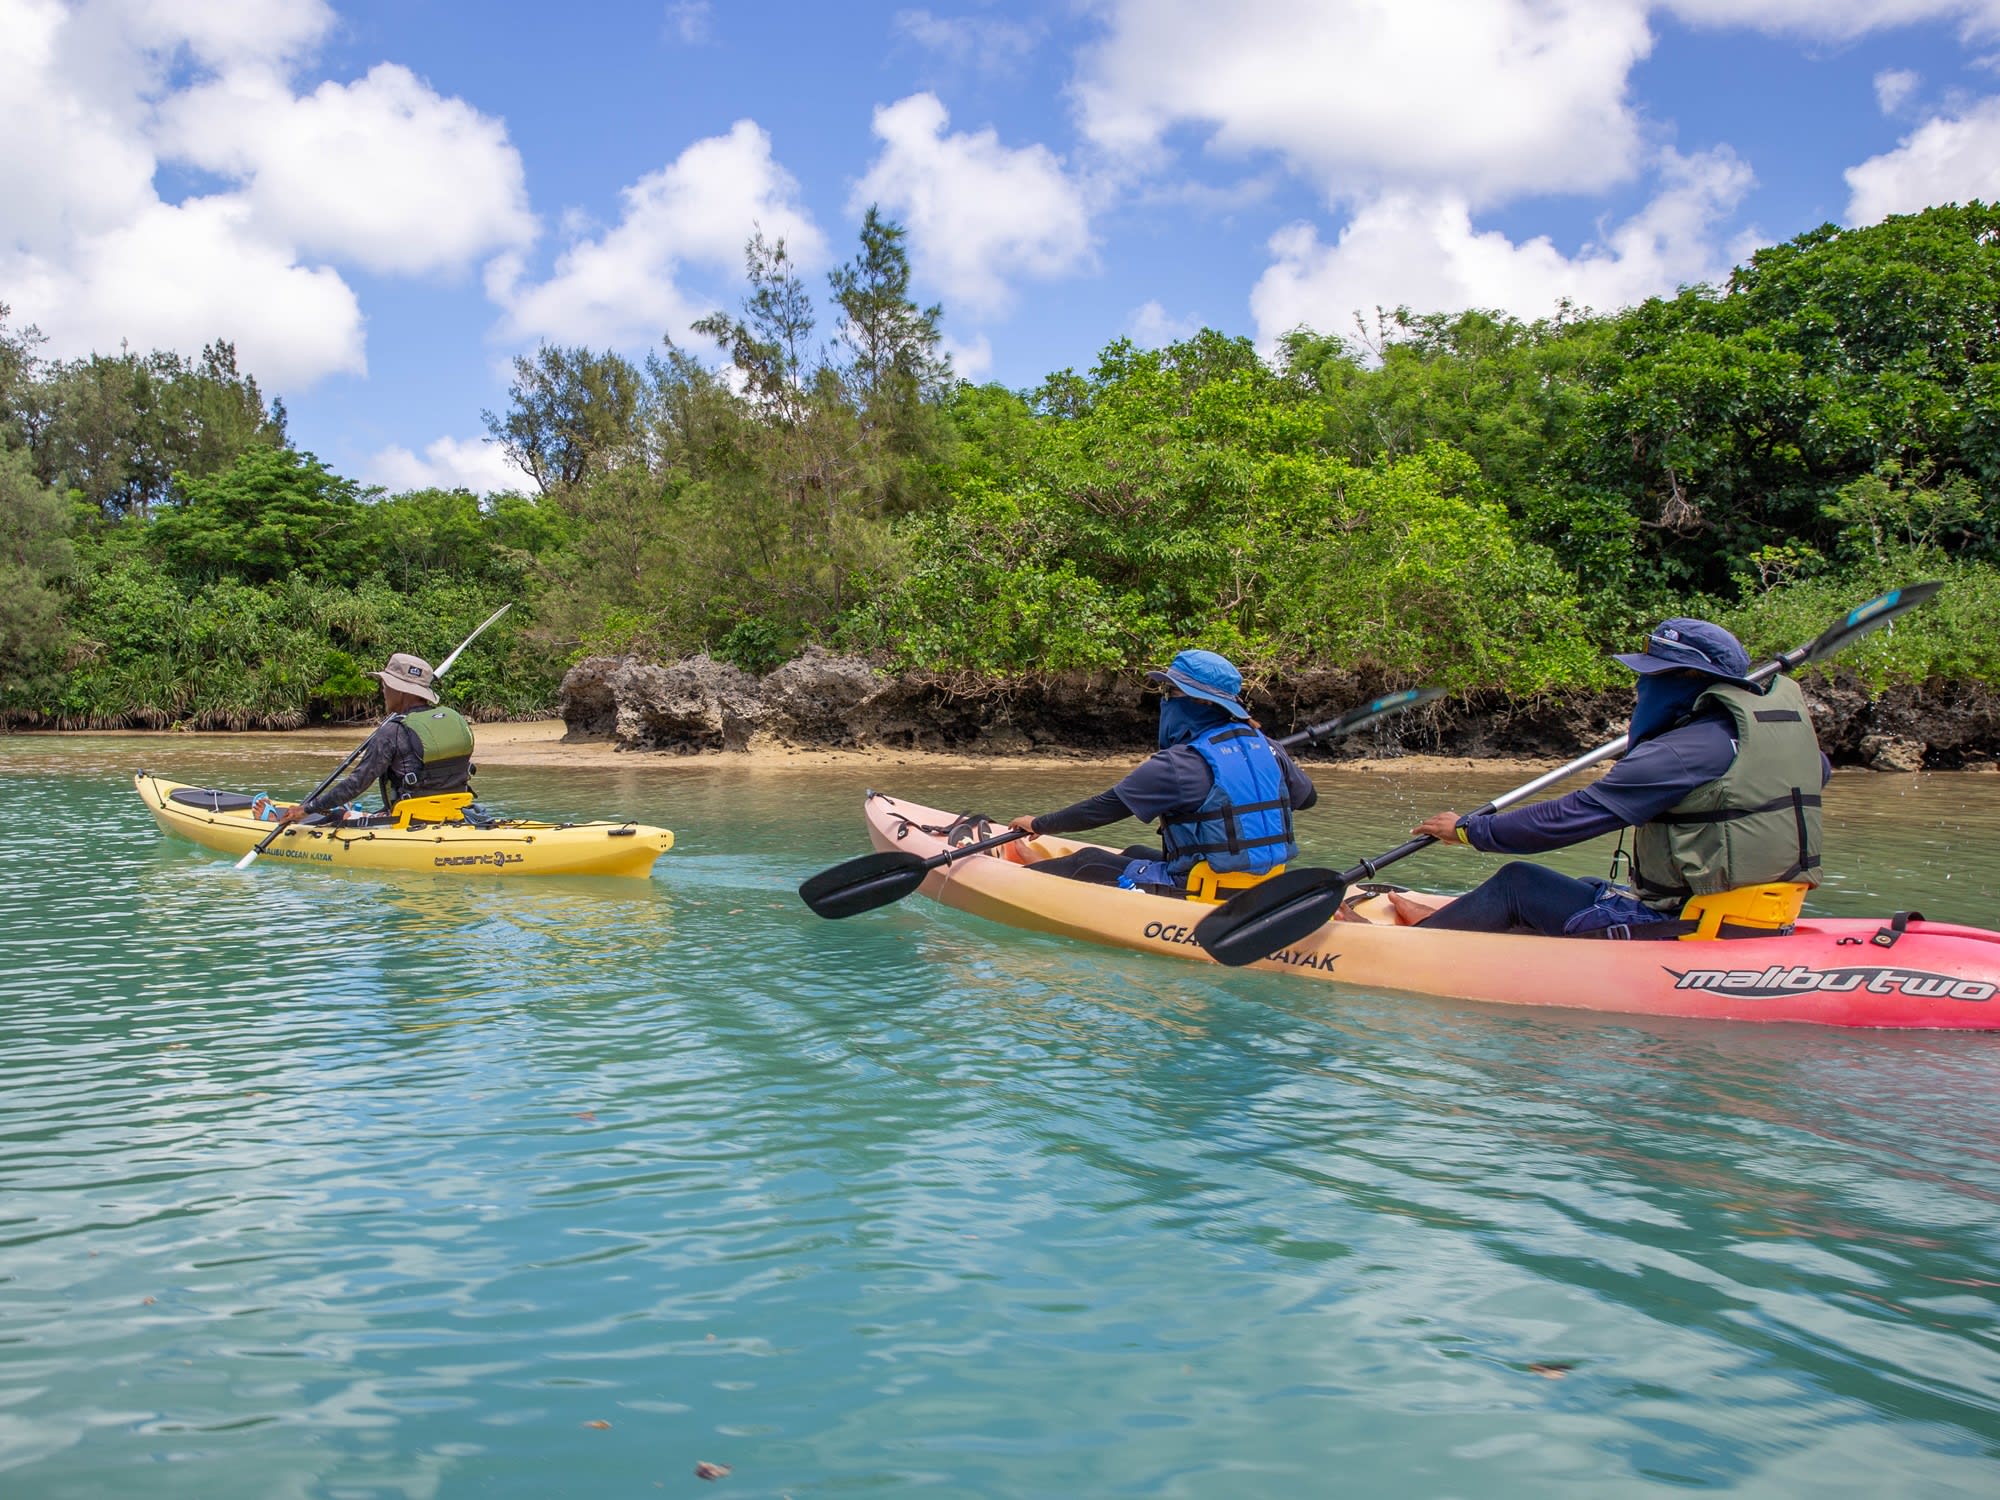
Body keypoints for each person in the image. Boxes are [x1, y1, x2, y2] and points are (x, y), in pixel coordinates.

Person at [1408, 618, 1827, 936]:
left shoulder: (1680, 753)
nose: (1643, 683)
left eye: (1652, 673)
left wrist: (1468, 830)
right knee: (1589, 885)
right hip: (1763, 915)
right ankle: (1460, 922)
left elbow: (1570, 818)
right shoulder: (1779, 743)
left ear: (1689, 679)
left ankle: (1422, 943)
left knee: (1518, 883)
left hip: (1689, 926)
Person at [1005, 649, 1317, 897]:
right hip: (1262, 882)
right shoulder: (1269, 747)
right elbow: (1307, 799)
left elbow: (1103, 808)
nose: (1164, 699)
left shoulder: (1180, 763)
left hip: (1203, 890)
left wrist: (1039, 824)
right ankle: (1054, 870)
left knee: (1085, 860)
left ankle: (1043, 872)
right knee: (1135, 851)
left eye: (1168, 691)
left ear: (1195, 702)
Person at [271, 652, 477, 826]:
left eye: (386, 685)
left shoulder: (392, 731)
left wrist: (308, 809)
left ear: (401, 692)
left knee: (336, 817)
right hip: (457, 813)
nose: (383, 691)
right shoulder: (454, 719)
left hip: (410, 820)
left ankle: (333, 812)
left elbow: (356, 784)